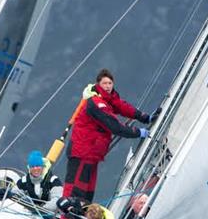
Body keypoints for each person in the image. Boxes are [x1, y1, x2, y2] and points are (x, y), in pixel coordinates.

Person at [65, 68, 156, 203]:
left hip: (92, 156)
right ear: (98, 85)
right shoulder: (96, 102)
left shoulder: (110, 99)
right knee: (75, 194)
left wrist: (145, 117)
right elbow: (114, 126)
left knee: (87, 195)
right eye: (104, 83)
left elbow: (122, 106)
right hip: (82, 154)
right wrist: (138, 133)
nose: (107, 86)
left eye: (110, 83)